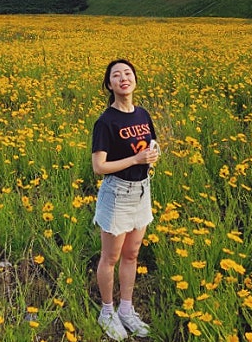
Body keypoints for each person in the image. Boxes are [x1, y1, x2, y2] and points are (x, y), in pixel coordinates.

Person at [91, 59, 159, 340]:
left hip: (142, 191)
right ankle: (107, 311)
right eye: (116, 75)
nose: (123, 78)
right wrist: (136, 158)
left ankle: (126, 310)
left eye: (127, 73)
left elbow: (152, 144)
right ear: (109, 85)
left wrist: (153, 155)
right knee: (111, 257)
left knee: (132, 254)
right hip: (117, 194)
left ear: (135, 80)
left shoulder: (142, 114)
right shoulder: (106, 121)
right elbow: (99, 167)